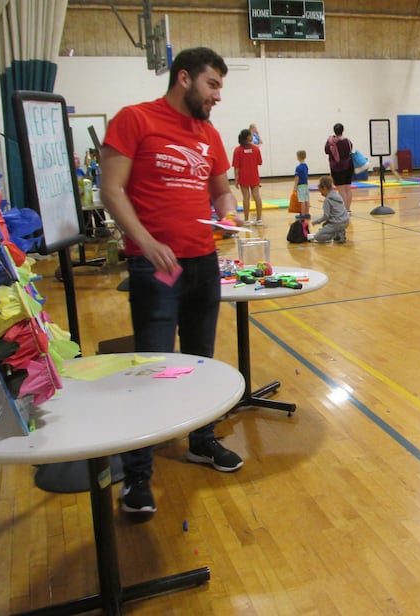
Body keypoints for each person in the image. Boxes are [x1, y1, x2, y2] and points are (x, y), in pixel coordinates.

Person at [100, 47, 244, 516]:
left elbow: (221, 189)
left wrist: (229, 210)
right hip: (155, 266)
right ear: (184, 78)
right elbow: (111, 189)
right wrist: (142, 240)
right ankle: (138, 475)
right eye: (212, 85)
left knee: (201, 362)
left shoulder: (209, 133)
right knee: (155, 370)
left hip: (203, 262)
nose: (218, 95)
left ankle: (201, 441)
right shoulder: (134, 120)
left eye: (221, 86)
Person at [233, 129, 264, 225]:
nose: (252, 136)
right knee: (257, 196)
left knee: (246, 197)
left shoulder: (237, 150)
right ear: (248, 137)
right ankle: (259, 219)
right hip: (254, 175)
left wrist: (236, 179)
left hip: (243, 176)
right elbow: (260, 162)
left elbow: (236, 167)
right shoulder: (256, 149)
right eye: (251, 135)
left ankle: (246, 220)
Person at [309, 176, 350, 243]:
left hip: (337, 223)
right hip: (346, 221)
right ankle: (340, 231)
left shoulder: (327, 200)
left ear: (324, 188)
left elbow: (326, 216)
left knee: (317, 237)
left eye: (321, 192)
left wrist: (316, 221)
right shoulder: (337, 195)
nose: (321, 194)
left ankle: (337, 234)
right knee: (325, 225)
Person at [324, 123, 354, 212]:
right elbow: (350, 149)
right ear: (343, 130)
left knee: (341, 190)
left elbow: (326, 151)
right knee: (348, 189)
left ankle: (344, 210)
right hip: (348, 165)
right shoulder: (347, 141)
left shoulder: (330, 141)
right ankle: (348, 209)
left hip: (337, 167)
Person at [293, 149, 310, 220]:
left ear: (298, 157)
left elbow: (297, 177)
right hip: (306, 185)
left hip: (300, 185)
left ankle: (302, 214)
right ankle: (307, 213)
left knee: (302, 200)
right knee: (306, 200)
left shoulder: (298, 168)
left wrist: (295, 186)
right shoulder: (306, 166)